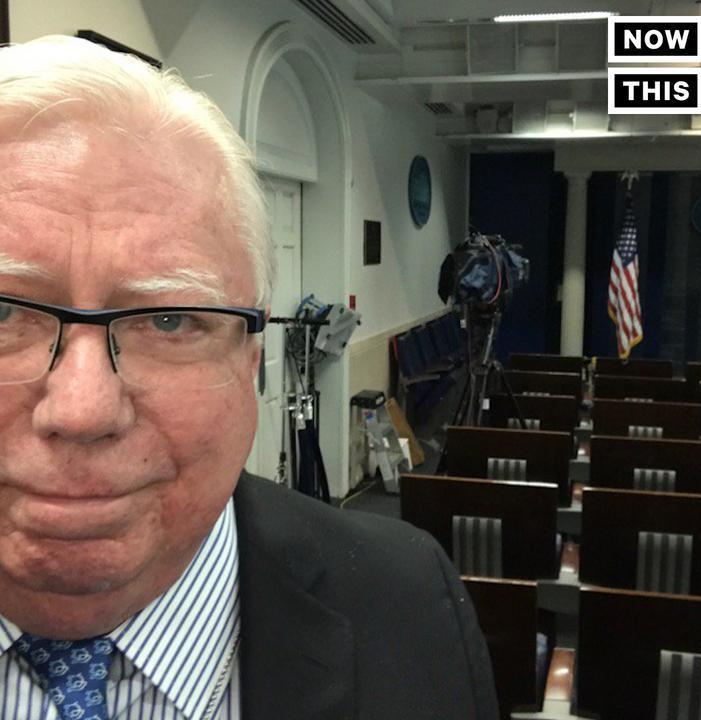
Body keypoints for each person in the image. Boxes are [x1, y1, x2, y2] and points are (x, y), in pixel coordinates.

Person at [0, 35, 499, 719]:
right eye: (4, 313)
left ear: (250, 356)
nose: (83, 410)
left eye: (170, 320)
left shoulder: (410, 608)